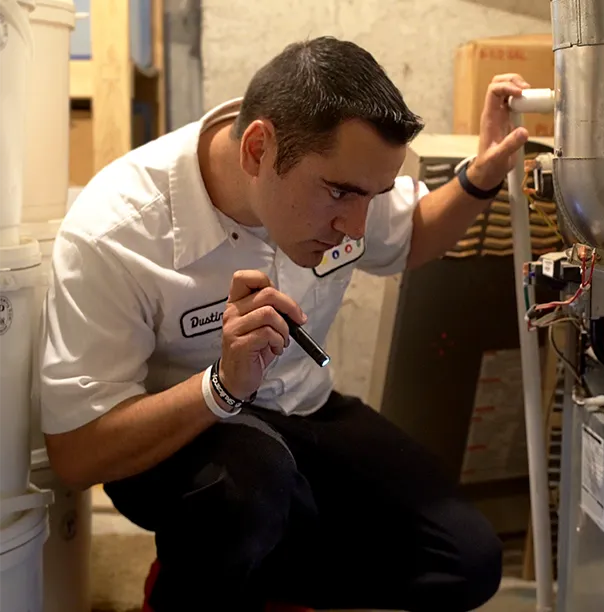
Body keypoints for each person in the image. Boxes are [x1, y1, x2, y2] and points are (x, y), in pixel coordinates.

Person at [38, 36, 532, 612]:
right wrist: (220, 386)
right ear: (257, 150)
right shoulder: (117, 231)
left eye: (374, 196)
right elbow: (75, 453)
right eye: (341, 193)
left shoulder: (336, 181)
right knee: (249, 492)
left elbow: (412, 237)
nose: (355, 227)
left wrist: (481, 178)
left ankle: (252, 578)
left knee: (467, 559)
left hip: (304, 406)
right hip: (180, 440)